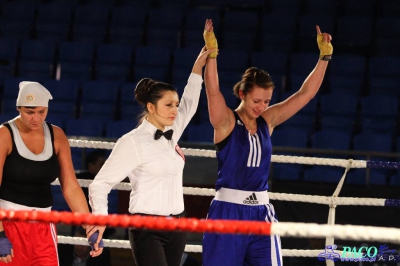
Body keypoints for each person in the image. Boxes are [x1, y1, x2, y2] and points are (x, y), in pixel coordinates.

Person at [201, 19, 333, 265]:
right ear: (242, 94)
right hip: (227, 213)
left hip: (261, 213)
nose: (261, 107)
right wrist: (212, 53)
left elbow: (305, 94)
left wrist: (324, 58)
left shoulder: (267, 121)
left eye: (266, 101)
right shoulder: (226, 122)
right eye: (256, 101)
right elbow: (212, 90)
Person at [88, 46, 214, 266]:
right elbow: (100, 184)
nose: (175, 110)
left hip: (177, 225)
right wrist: (100, 220)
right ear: (151, 107)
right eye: (168, 105)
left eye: (175, 104)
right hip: (147, 229)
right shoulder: (132, 142)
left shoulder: (172, 131)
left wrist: (197, 67)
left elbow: (190, 104)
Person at [0, 81, 103, 265]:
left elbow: (70, 185)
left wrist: (89, 226)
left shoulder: (57, 136)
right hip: (8, 224)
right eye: (29, 112)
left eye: (41, 112)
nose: (36, 118)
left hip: (43, 227)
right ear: (18, 108)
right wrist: (0, 234)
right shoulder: (4, 135)